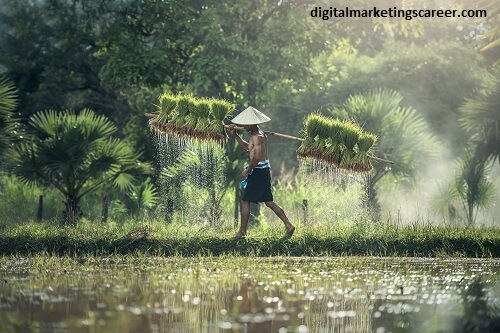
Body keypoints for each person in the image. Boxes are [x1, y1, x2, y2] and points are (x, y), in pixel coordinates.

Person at [228, 106, 295, 238]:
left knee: (245, 201)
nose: (244, 126)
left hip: (259, 171)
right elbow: (248, 149)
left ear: (253, 123)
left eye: (246, 124)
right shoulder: (256, 135)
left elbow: (257, 157)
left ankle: (242, 232)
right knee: (269, 202)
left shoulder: (258, 137)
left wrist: (247, 170)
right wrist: (235, 135)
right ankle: (289, 225)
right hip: (263, 171)